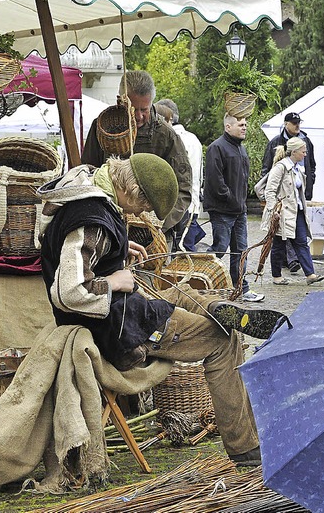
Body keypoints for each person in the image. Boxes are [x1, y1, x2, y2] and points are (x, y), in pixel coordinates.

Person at [38, 153, 287, 467]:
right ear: (130, 191)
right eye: (143, 206)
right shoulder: (91, 221)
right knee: (224, 340)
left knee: (182, 292)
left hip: (120, 313)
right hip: (117, 331)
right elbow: (69, 292)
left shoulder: (90, 181)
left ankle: (219, 307)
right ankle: (245, 448)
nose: (142, 213)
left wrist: (116, 248)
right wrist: (113, 280)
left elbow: (74, 249)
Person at [81, 71, 192, 240]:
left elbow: (183, 189)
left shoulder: (166, 135)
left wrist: (161, 223)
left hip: (155, 233)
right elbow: (87, 173)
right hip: (110, 226)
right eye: (132, 109)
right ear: (121, 100)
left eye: (144, 109)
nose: (139, 116)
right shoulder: (102, 128)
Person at [204, 114, 264, 302]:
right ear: (228, 127)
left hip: (239, 211)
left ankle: (241, 288)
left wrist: (241, 202)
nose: (245, 127)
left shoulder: (241, 149)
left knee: (241, 251)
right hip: (222, 210)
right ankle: (200, 279)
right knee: (219, 249)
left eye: (245, 124)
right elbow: (215, 180)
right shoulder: (217, 147)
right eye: (240, 124)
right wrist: (230, 199)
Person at [262, 137, 324, 286]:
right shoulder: (280, 167)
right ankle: (276, 276)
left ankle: (310, 274)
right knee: (279, 244)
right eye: (303, 151)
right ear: (294, 152)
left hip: (297, 212)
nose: (305, 154)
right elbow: (269, 191)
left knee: (302, 242)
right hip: (282, 213)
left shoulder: (297, 168)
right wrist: (273, 210)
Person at [261, 112, 316, 274]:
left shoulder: (305, 142)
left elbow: (311, 166)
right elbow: (268, 178)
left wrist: (309, 188)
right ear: (286, 124)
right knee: (279, 241)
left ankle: (310, 273)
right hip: (283, 208)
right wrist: (271, 207)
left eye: (299, 122)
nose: (297, 125)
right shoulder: (278, 154)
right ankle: (278, 273)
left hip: (297, 205)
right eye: (294, 123)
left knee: (300, 240)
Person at [155, 98, 206, 251]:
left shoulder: (171, 139)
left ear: (168, 118)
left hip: (177, 207)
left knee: (178, 253)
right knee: (184, 251)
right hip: (191, 204)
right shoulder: (193, 138)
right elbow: (199, 174)